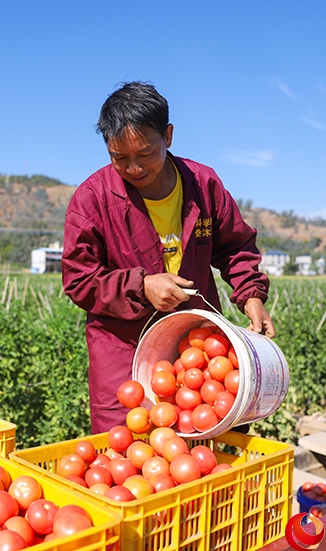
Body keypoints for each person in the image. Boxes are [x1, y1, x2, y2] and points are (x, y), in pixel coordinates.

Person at [62, 81, 275, 434]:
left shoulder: (203, 185)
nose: (133, 168)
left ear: (169, 136)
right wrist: (141, 286)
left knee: (212, 433)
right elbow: (80, 280)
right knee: (127, 445)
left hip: (196, 340)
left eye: (145, 154)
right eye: (120, 158)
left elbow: (235, 246)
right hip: (122, 346)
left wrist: (250, 294)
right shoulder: (92, 200)